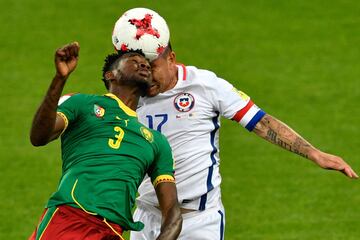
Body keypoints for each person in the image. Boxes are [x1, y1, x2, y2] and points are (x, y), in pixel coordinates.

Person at [123, 9, 359, 240]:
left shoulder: (205, 86)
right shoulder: (130, 95)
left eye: (152, 67)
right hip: (147, 218)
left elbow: (260, 122)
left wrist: (313, 153)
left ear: (171, 59)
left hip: (197, 222)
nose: (147, 77)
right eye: (139, 69)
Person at [29, 42, 182, 240]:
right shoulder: (83, 104)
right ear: (111, 75)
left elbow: (173, 214)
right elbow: (39, 137)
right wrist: (60, 79)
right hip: (70, 219)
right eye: (134, 62)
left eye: (146, 63)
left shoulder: (157, 142)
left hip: (112, 233)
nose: (144, 65)